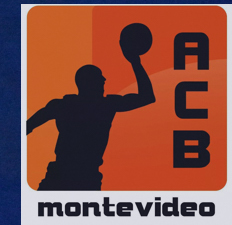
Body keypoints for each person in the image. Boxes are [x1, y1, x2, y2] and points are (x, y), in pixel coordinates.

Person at [29, 50, 157, 190]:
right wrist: (135, 62)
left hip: (67, 176)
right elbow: (147, 97)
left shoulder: (63, 105)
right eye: (99, 77)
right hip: (79, 177)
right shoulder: (105, 105)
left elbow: (28, 125)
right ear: (89, 82)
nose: (104, 80)